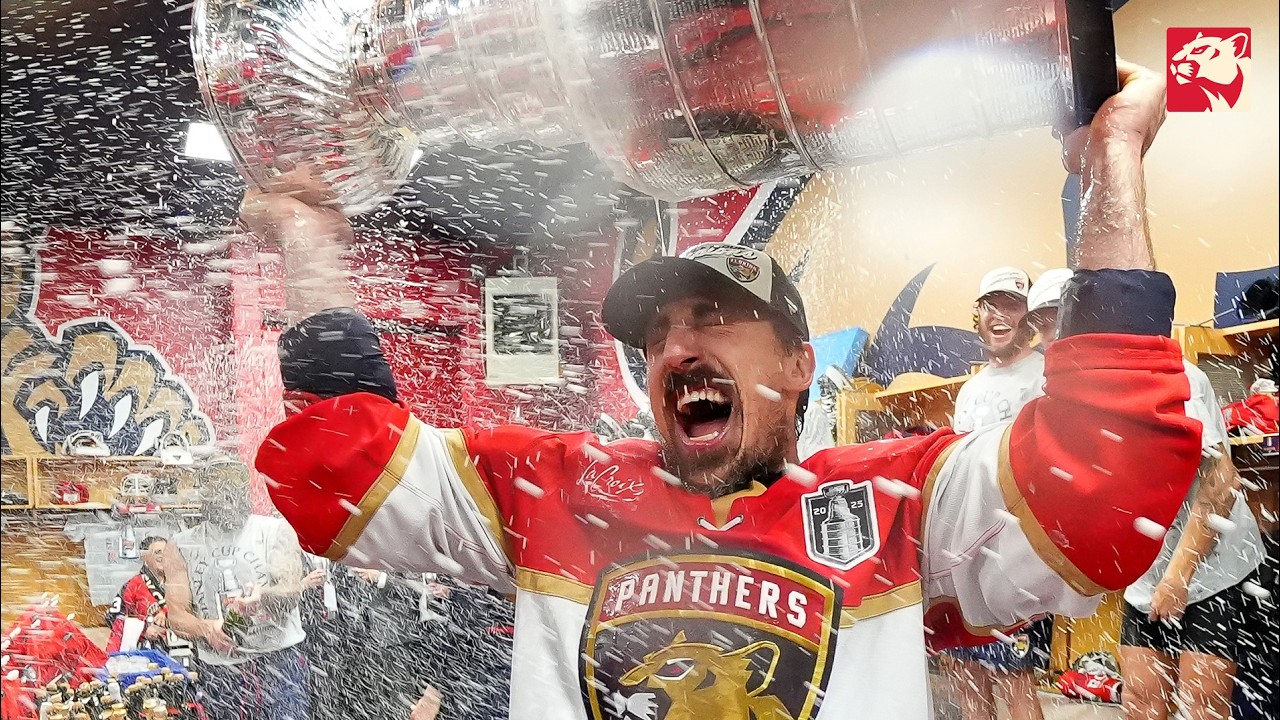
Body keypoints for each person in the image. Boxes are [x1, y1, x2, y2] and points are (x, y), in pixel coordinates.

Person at [246, 61, 1202, 720]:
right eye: (658, 334)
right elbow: (346, 469)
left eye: (712, 319)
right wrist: (311, 237)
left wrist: (1112, 162)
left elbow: (1104, 478)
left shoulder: (895, 508)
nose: (675, 345)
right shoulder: (557, 490)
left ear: (797, 370)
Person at [1023, 268, 1266, 720]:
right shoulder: (1070, 399)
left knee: (1202, 706)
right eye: (1043, 323)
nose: (1052, 335)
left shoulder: (1174, 379)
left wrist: (1178, 577)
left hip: (1212, 567)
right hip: (1149, 572)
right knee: (1140, 701)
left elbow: (1221, 484)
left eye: (1062, 320)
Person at [943, 268, 1049, 720]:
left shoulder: (1045, 373)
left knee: (1017, 685)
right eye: (991, 304)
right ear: (978, 315)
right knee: (967, 682)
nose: (1000, 314)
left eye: (1012, 303)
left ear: (1029, 316)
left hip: (1018, 556)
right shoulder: (969, 389)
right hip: (965, 554)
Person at [161, 457, 309, 720]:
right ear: (204, 495)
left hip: (278, 661)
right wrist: (207, 629)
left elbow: (291, 590)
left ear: (246, 489)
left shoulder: (274, 530)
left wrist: (263, 597)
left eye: (234, 487)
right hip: (222, 670)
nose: (227, 495)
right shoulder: (182, 545)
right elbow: (176, 616)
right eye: (218, 488)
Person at [104, 536, 169, 653]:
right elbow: (113, 617)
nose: (163, 556)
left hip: (175, 650)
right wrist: (143, 630)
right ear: (145, 557)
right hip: (142, 652)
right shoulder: (134, 585)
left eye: (167, 552)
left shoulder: (179, 585)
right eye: (157, 552)